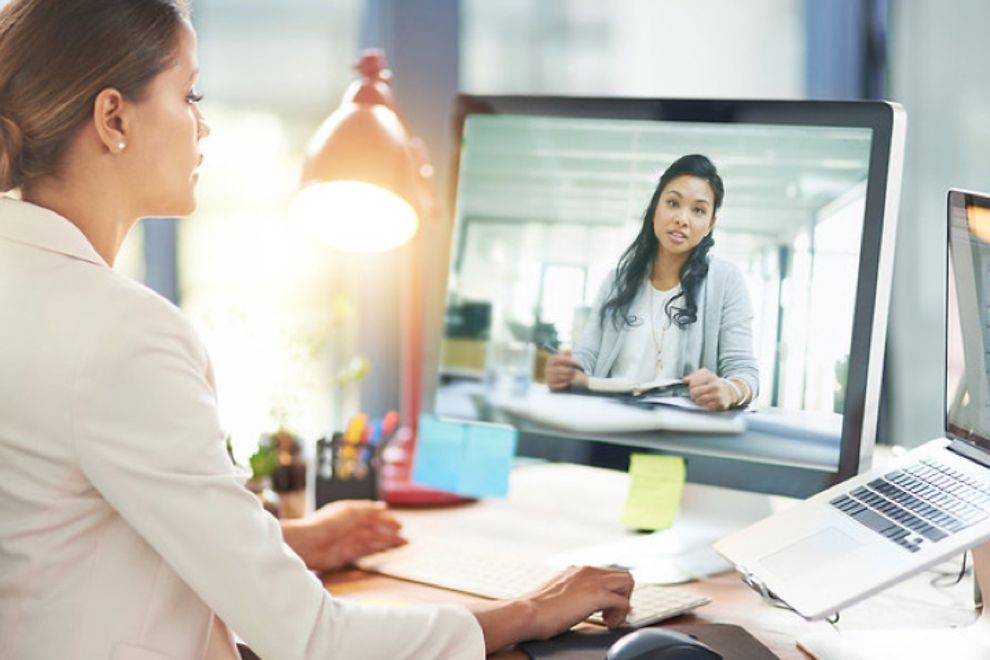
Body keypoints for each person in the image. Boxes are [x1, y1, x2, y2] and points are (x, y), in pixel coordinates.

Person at [0, 1, 633, 659]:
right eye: (190, 95)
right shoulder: (122, 335)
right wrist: (534, 607)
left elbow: (63, 537)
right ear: (113, 118)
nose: (204, 125)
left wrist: (294, 544)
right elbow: (315, 641)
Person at [545, 154, 759, 411]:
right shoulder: (617, 281)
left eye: (698, 210)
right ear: (655, 208)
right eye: (672, 203)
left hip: (679, 433)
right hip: (607, 425)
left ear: (710, 224)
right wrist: (568, 371)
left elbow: (746, 374)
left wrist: (729, 389)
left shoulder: (725, 281)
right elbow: (587, 357)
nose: (682, 218)